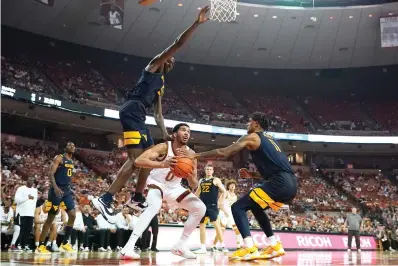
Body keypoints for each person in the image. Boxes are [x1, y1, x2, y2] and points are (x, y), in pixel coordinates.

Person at [91, 6, 210, 224]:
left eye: (173, 61)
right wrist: (197, 23)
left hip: (141, 115)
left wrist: (165, 134)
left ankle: (137, 197)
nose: (171, 61)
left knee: (150, 157)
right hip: (132, 110)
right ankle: (105, 198)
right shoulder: (153, 66)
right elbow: (178, 44)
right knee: (137, 161)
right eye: (169, 58)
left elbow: (158, 113)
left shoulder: (161, 85)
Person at [178, 112, 298, 261]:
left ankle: (249, 247)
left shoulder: (253, 136)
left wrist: (194, 155)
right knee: (256, 207)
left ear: (256, 124)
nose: (246, 124)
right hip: (291, 183)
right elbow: (278, 169)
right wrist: (252, 176)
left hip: (279, 182)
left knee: (237, 207)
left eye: (249, 121)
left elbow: (224, 152)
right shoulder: (272, 139)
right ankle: (274, 244)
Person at [119, 123, 206, 260]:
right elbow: (139, 160)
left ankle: (180, 245)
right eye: (183, 130)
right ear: (174, 134)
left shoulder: (191, 155)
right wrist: (163, 164)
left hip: (175, 188)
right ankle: (128, 247)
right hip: (157, 183)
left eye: (189, 131)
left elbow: (194, 184)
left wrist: (190, 173)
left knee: (200, 207)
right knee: (154, 206)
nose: (186, 133)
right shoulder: (164, 147)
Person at [36, 142, 77, 254]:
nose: (72, 147)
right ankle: (41, 246)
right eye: (69, 145)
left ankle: (64, 244)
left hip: (66, 191)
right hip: (56, 191)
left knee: (73, 215)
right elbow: (51, 173)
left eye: (73, 146)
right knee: (51, 218)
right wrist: (55, 187)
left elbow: (66, 176)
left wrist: (70, 189)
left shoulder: (72, 161)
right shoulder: (59, 158)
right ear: (65, 147)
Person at [194, 165, 228, 254]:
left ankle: (223, 246)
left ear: (212, 171)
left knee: (216, 225)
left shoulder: (216, 180)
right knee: (202, 226)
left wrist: (221, 201)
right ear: (205, 170)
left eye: (210, 169)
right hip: (203, 205)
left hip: (212, 205)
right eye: (207, 169)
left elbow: (224, 191)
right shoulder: (201, 180)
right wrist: (192, 201)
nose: (208, 170)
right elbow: (197, 192)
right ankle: (202, 248)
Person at [213, 180, 243, 250]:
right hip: (223, 213)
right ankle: (214, 245)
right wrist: (225, 211)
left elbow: (234, 207)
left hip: (231, 214)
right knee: (221, 231)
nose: (232, 186)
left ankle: (238, 246)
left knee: (237, 230)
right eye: (231, 185)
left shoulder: (235, 196)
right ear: (228, 186)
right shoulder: (225, 193)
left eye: (234, 185)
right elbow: (219, 204)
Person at [14, 178, 38, 252]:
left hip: (30, 214)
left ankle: (24, 245)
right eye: (29, 180)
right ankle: (17, 245)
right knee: (21, 229)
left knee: (28, 230)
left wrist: (33, 213)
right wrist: (27, 197)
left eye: (32, 180)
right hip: (21, 213)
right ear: (26, 181)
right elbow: (16, 200)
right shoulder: (21, 189)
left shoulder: (35, 190)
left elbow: (34, 203)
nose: (31, 181)